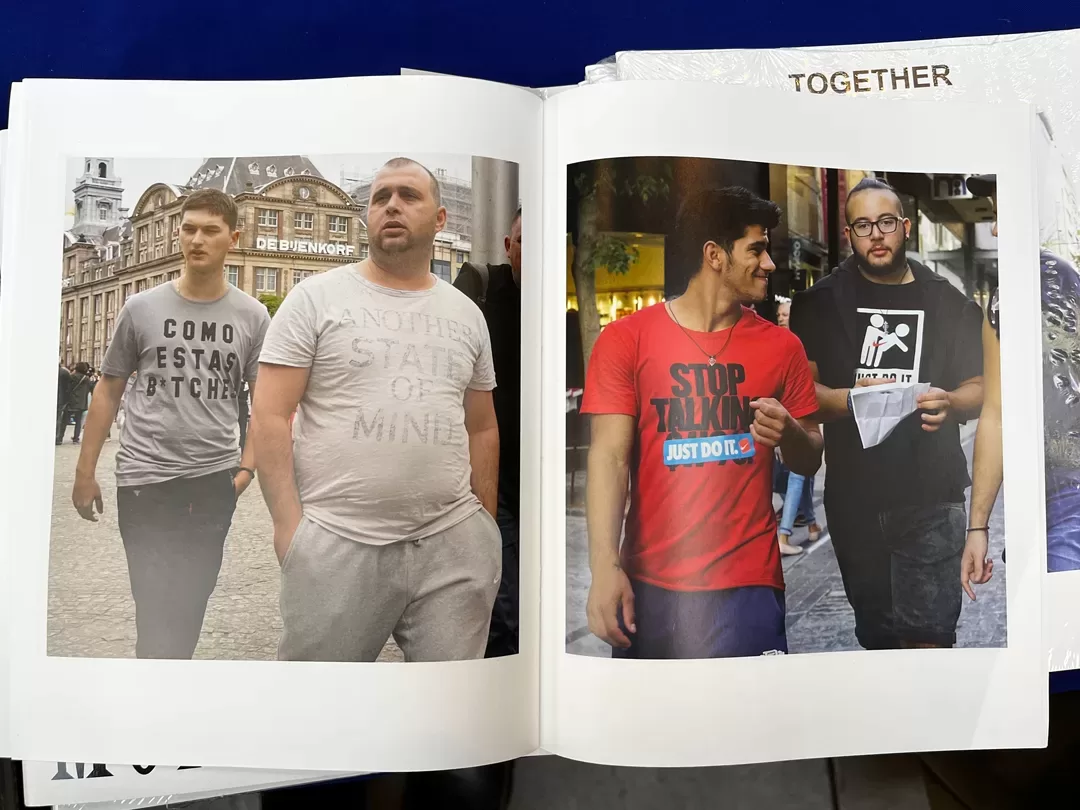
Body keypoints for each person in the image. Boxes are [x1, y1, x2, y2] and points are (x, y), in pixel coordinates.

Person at [253, 157, 501, 663]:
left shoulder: (466, 313)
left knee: (448, 714)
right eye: (380, 196)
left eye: (409, 196)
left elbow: (482, 426)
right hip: (337, 542)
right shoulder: (314, 298)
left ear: (439, 220)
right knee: (320, 711)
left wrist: (484, 527)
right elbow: (270, 414)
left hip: (452, 545)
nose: (392, 205)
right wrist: (289, 529)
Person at [583, 186, 822, 659]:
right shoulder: (624, 340)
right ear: (714, 254)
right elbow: (609, 459)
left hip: (748, 584)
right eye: (756, 249)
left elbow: (810, 457)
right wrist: (604, 568)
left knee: (747, 726)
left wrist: (790, 432)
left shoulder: (783, 348)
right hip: (652, 583)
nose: (769, 263)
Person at [71, 188, 270, 659]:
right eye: (188, 228)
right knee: (154, 606)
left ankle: (167, 689)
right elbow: (108, 391)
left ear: (233, 237)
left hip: (212, 482)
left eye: (210, 230)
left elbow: (265, 406)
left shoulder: (253, 315)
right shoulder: (141, 308)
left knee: (191, 603)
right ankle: (157, 694)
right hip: (144, 479)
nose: (196, 239)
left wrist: (245, 471)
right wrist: (85, 472)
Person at [790, 177, 984, 650]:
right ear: (849, 234)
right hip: (855, 499)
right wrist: (854, 396)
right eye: (862, 225)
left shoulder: (948, 302)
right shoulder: (818, 304)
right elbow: (802, 394)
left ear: (907, 227)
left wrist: (951, 402)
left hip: (932, 496)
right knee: (878, 641)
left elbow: (980, 388)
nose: (876, 234)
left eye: (886, 222)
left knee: (929, 642)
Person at [964, 174, 1080, 585]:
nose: (995, 228)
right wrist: (978, 526)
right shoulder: (1006, 294)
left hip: (1067, 495)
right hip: (1039, 499)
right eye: (995, 214)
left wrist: (978, 527)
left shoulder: (1052, 280)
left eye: (1004, 213)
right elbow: (996, 410)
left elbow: (996, 412)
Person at [453, 207, 522, 658]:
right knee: (506, 609)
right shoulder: (476, 292)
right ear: (508, 246)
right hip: (490, 479)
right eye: (525, 241)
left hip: (539, 478)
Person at [773, 298, 822, 555]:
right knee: (801, 476)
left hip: (801, 418)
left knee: (800, 474)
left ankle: (784, 534)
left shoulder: (800, 346)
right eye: (779, 314)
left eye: (786, 314)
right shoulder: (773, 343)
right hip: (781, 418)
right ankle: (811, 524)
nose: (782, 318)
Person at [59, 362, 94, 444]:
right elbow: (90, 389)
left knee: (64, 420)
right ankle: (76, 438)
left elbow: (67, 388)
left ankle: (60, 437)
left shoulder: (72, 377)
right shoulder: (87, 379)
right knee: (78, 422)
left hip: (71, 402)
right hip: (82, 403)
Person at [56, 361, 72, 445]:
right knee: (61, 419)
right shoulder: (65, 372)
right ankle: (58, 438)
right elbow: (69, 387)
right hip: (62, 399)